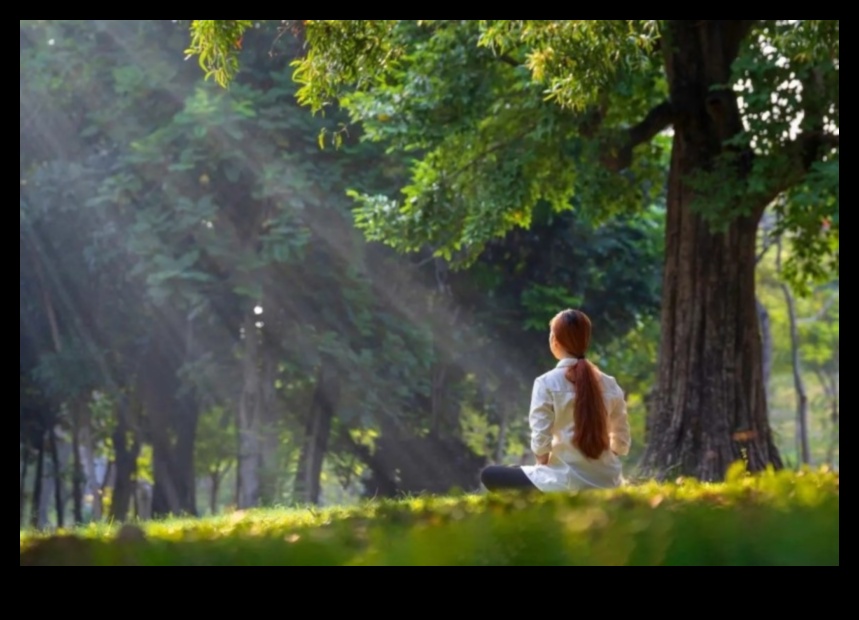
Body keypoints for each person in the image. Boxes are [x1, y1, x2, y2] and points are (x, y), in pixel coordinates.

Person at [480, 309, 631, 493]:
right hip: (608, 481)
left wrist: (542, 466)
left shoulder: (546, 382)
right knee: (515, 470)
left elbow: (541, 442)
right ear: (586, 340)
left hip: (562, 483)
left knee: (490, 474)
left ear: (554, 341)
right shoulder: (610, 384)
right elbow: (621, 443)